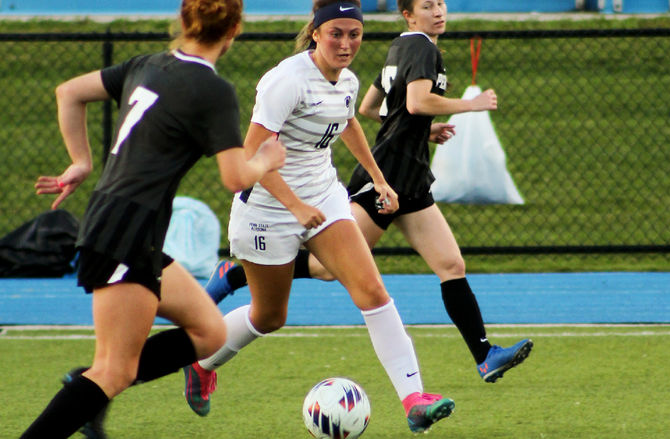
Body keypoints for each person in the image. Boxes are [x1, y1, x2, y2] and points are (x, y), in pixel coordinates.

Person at [206, 0, 533, 385]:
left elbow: (366, 109)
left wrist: (418, 132)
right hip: (391, 173)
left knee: (450, 265)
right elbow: (414, 102)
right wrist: (471, 105)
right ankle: (240, 274)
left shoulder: (393, 51)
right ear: (408, 14)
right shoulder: (422, 48)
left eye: (442, 4)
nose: (439, 11)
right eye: (428, 6)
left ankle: (483, 356)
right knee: (329, 271)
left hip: (407, 177)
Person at [182, 0, 455, 434]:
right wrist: (293, 206)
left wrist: (380, 180)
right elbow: (250, 155)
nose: (346, 44)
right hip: (266, 210)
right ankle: (202, 364)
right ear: (316, 33)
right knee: (269, 316)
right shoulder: (286, 81)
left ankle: (414, 399)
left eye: (354, 34)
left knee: (372, 291)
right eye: (336, 34)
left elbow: (348, 121)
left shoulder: (346, 80)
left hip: (323, 198)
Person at [20, 1, 285, 437]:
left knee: (209, 332)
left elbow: (68, 92)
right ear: (235, 29)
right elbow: (236, 177)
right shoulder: (211, 89)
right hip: (126, 231)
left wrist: (80, 161)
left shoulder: (148, 64)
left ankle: (87, 386)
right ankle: (88, 388)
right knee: (113, 371)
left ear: (183, 20)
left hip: (124, 228)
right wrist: (265, 158)